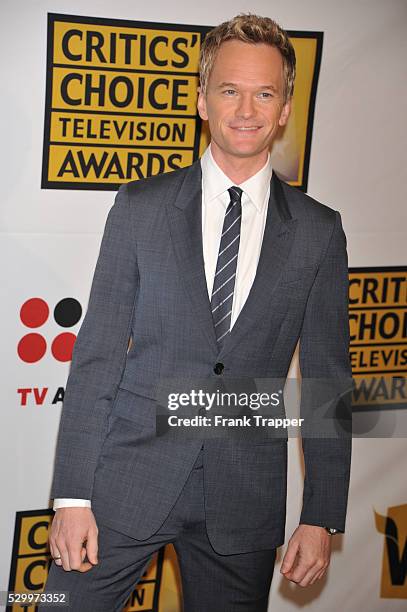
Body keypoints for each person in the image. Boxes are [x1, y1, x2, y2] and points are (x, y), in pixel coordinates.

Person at [41, 13, 353, 611]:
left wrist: (321, 514)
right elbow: (98, 355)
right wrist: (71, 498)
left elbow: (326, 380)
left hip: (244, 502)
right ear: (203, 100)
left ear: (285, 108)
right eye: (230, 90)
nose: (246, 108)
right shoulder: (140, 207)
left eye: (265, 93)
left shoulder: (319, 231)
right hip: (127, 483)